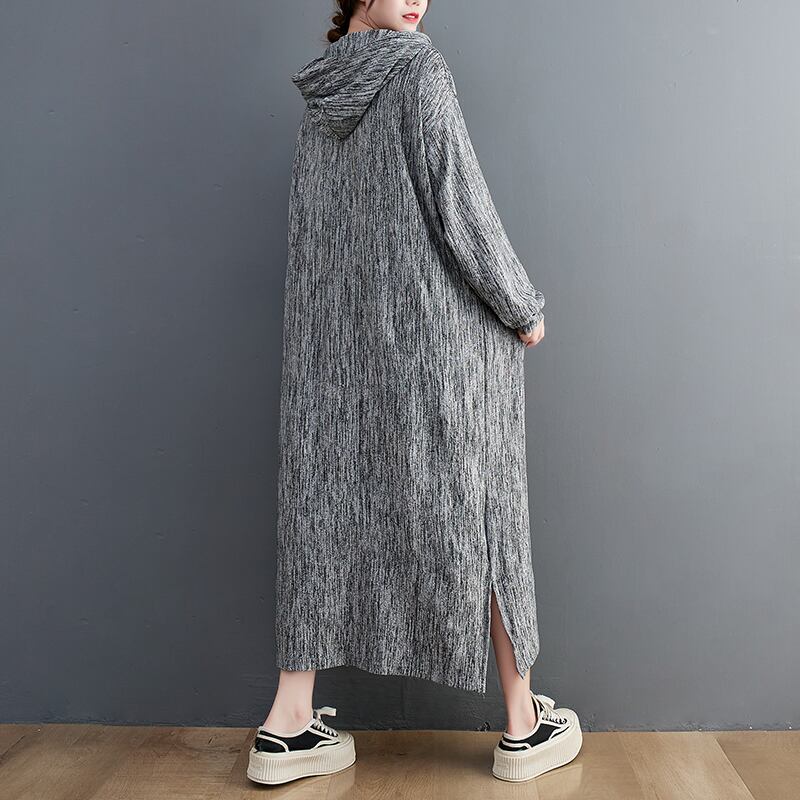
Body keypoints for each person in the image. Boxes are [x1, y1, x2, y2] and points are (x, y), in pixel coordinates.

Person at [247, 0, 583, 786]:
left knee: (323, 505)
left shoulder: (324, 91)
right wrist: (522, 306)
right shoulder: (419, 68)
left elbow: (314, 237)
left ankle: (287, 723)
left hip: (338, 351)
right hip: (433, 343)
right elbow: (458, 204)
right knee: (482, 507)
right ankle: (523, 723)